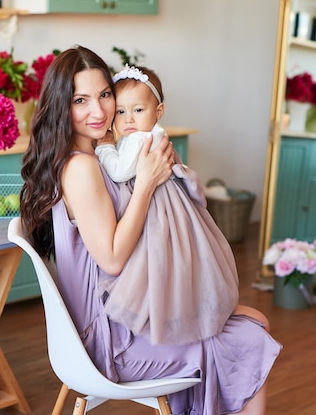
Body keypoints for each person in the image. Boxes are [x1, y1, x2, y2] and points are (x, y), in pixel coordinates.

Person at [20, 45, 281, 414]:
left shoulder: (98, 156)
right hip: (112, 339)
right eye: (81, 100)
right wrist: (144, 184)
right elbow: (111, 260)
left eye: (105, 95)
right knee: (251, 339)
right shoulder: (81, 168)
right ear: (62, 105)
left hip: (127, 309)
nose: (99, 111)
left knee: (255, 320)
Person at [94, 64, 239, 347]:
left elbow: (120, 172)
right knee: (175, 260)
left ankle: (158, 311)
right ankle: (180, 307)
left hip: (158, 209)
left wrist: (104, 147)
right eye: (121, 111)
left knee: (154, 260)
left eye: (138, 110)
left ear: (158, 111)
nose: (129, 119)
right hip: (172, 205)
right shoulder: (154, 133)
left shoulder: (139, 139)